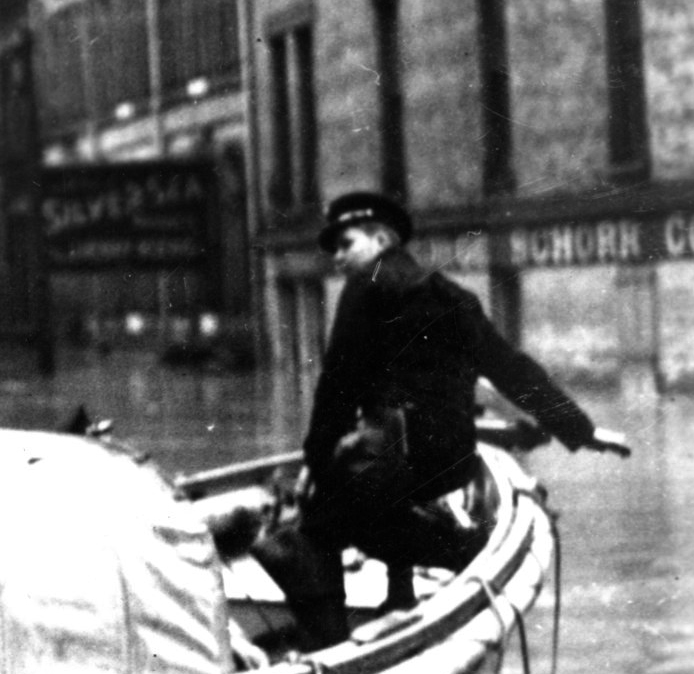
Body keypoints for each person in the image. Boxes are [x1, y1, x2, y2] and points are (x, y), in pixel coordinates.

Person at [254, 189, 629, 648]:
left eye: (346, 243)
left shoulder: (365, 285)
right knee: (372, 491)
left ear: (380, 238)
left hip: (398, 457)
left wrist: (315, 462)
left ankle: (332, 648)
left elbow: (338, 385)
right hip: (451, 461)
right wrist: (580, 429)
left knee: (309, 526)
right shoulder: (454, 295)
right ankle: (413, 587)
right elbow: (511, 368)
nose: (337, 257)